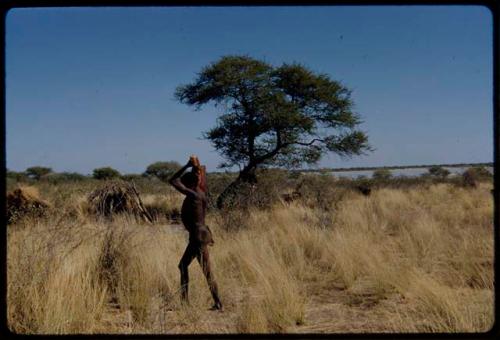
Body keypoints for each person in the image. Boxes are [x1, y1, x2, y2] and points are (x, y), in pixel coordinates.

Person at [168, 156, 223, 311]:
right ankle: (218, 303)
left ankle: (185, 303)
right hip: (203, 234)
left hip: (198, 236)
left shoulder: (193, 194)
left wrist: (186, 165)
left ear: (191, 181)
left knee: (183, 266)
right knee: (206, 270)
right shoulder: (202, 194)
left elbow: (172, 180)